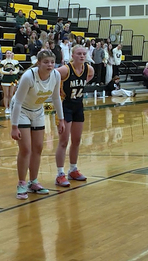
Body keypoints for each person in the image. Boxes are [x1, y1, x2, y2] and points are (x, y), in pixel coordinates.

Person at [10, 50, 65, 200]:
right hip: (21, 110)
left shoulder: (56, 75)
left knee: (38, 147)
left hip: (38, 110)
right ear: (39, 63)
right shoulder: (29, 76)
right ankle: (21, 183)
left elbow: (56, 98)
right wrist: (14, 126)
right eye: (46, 62)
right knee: (26, 148)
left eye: (52, 62)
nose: (50, 65)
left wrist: (61, 119)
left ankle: (33, 181)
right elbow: (18, 102)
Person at [55, 46, 95, 188]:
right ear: (72, 55)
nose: (82, 56)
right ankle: (60, 174)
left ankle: (73, 169)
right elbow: (52, 76)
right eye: (79, 54)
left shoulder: (89, 69)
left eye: (84, 54)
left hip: (78, 106)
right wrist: (57, 91)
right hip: (65, 107)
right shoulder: (65, 70)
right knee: (64, 141)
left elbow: (89, 78)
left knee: (77, 140)